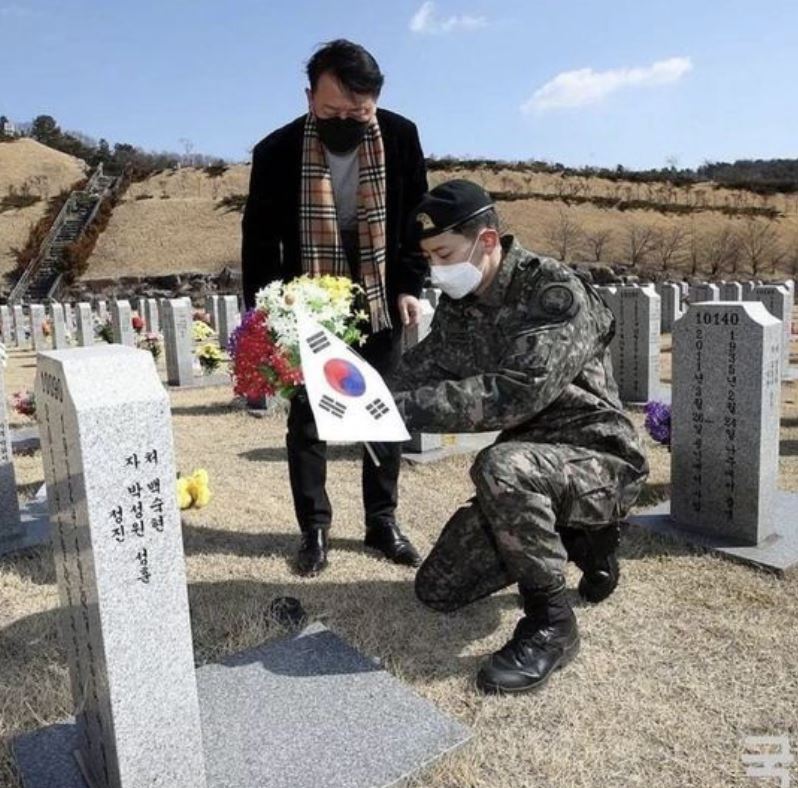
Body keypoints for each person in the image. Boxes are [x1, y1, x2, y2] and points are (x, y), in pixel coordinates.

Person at [387, 180, 649, 694]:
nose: (435, 270)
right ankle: (576, 537)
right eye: (428, 258)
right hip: (529, 469)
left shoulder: (552, 292)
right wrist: (349, 395)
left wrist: (397, 412)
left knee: (499, 465)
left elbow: (516, 394)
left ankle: (551, 622)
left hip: (596, 458)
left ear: (487, 241)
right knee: (437, 589)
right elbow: (419, 371)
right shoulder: (464, 304)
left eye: (443, 254)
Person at [241, 40, 427, 576]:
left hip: (378, 291)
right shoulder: (276, 151)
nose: (345, 121)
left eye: (357, 112)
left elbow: (416, 220)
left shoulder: (400, 135)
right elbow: (259, 238)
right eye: (331, 113)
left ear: (375, 102)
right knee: (307, 420)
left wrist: (410, 283)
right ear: (308, 99)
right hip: (309, 297)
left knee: (382, 413)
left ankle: (382, 522)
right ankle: (314, 529)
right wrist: (268, 312)